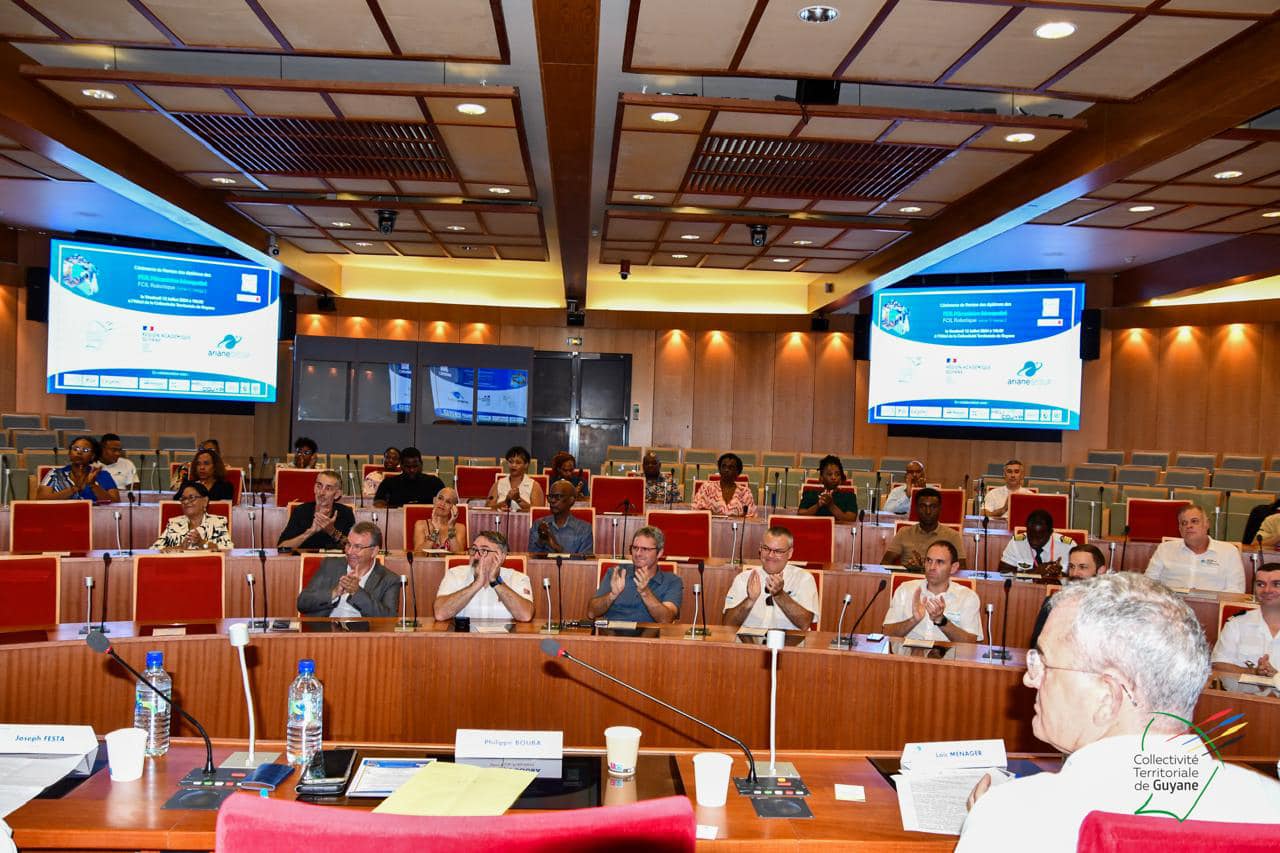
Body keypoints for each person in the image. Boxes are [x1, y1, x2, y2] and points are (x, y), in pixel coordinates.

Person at [958, 573, 1280, 851]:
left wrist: (987, 822)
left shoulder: (1015, 818)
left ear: (1106, 698)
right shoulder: (1269, 803)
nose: (1029, 679)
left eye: (1043, 663)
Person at [882, 541, 982, 642]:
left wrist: (941, 621)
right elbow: (887, 632)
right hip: (908, 651)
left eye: (940, 562)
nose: (932, 567)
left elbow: (971, 642)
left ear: (953, 567)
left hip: (947, 651)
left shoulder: (967, 597)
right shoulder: (905, 590)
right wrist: (913, 620)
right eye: (929, 560)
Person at [723, 526, 819, 630]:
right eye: (766, 548)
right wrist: (750, 600)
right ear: (760, 549)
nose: (770, 555)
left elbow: (805, 624)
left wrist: (780, 595)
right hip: (749, 639)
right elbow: (727, 624)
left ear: (790, 553)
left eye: (778, 551)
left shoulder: (804, 579)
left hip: (789, 639)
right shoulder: (743, 579)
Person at [296, 522, 399, 617]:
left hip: (363, 631)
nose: (349, 551)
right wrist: (334, 593)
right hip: (326, 629)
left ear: (374, 551)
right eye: (348, 544)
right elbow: (302, 603)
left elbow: (389, 618)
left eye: (357, 547)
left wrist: (357, 592)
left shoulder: (389, 579)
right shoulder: (330, 565)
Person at [1211, 561, 1280, 696]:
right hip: (1243, 703)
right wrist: (1254, 673)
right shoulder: (1236, 624)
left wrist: (1276, 678)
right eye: (1260, 584)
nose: (1267, 590)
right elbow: (1219, 666)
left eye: (1276, 584)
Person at [588, 526, 683, 623]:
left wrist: (645, 592)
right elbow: (591, 613)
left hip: (650, 632)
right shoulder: (616, 573)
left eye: (645, 549)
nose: (638, 554)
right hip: (613, 631)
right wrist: (611, 595)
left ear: (659, 553)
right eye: (635, 548)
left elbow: (666, 619)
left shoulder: (672, 581)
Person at [433, 531, 534, 622]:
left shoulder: (517, 578)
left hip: (503, 636)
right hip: (464, 636)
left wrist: (496, 582)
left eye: (484, 550)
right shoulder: (455, 574)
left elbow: (525, 615)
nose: (476, 556)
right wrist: (476, 585)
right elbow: (440, 614)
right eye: (474, 549)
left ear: (501, 557)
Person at [1145, 504, 1245, 592]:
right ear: (1180, 529)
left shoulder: (1229, 552)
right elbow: (1147, 584)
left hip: (1212, 606)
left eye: (1194, 521)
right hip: (1170, 605)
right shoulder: (1165, 549)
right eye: (1184, 523)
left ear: (1207, 524)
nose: (1189, 526)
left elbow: (1236, 591)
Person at [1028, 543, 1107, 650]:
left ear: (1100, 571)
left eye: (1082, 567)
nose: (1074, 573)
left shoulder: (1110, 607)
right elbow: (1036, 643)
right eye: (1072, 567)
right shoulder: (1054, 602)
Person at [882, 487, 967, 570]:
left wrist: (924, 569)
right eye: (923, 506)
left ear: (939, 509)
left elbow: (962, 569)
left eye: (933, 507)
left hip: (939, 579)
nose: (928, 511)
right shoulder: (904, 532)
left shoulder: (953, 536)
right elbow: (884, 563)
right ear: (916, 508)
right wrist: (907, 568)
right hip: (909, 578)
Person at [276, 469, 354, 551]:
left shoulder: (345, 513)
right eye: (319, 486)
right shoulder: (301, 511)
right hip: (302, 558)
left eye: (328, 488)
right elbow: (281, 548)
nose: (321, 493)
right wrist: (310, 532)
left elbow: (353, 548)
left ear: (337, 494)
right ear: (314, 488)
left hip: (333, 559)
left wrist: (332, 531)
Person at [151, 481, 233, 550]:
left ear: (205, 501)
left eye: (192, 497)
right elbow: (154, 550)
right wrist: (179, 548)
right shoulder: (174, 524)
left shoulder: (217, 523)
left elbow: (228, 549)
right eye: (183, 499)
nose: (186, 502)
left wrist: (202, 543)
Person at [37, 436, 119, 502]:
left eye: (85, 450)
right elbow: (41, 500)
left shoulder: (102, 475)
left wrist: (93, 485)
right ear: (70, 453)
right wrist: (75, 488)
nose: (79, 452)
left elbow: (115, 502)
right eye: (75, 449)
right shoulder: (54, 474)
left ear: (93, 456)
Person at [999, 509, 1077, 577]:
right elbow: (1002, 573)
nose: (1034, 541)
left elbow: (1077, 579)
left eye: (1039, 538)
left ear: (1050, 532)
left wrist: (1059, 574)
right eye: (1031, 536)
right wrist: (1035, 571)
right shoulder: (1016, 543)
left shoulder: (1068, 546)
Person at [528, 480, 593, 554]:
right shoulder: (538, 524)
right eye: (550, 497)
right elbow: (531, 557)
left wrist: (556, 546)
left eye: (558, 497)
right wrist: (540, 542)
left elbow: (584, 560)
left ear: (571, 500)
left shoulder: (584, 529)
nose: (552, 501)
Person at [373, 446, 445, 508]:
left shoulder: (434, 482)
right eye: (408, 466)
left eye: (415, 466)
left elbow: (447, 500)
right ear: (401, 465)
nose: (412, 470)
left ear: (421, 464)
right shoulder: (388, 483)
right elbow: (378, 503)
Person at [692, 452, 757, 517]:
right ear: (719, 470)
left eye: (731, 467)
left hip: (737, 524)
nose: (726, 470)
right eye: (724, 466)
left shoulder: (745, 492)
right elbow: (696, 510)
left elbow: (751, 516)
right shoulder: (707, 487)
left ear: (737, 472)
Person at [797, 454, 858, 522]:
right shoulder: (810, 494)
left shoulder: (849, 496)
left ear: (841, 478)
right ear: (821, 478)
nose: (833, 477)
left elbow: (851, 519)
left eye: (837, 474)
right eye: (829, 474)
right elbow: (800, 514)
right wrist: (818, 505)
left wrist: (831, 506)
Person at [486, 445, 546, 510]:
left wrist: (518, 500)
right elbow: (488, 508)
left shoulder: (534, 485)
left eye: (518, 462)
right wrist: (505, 501)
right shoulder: (499, 483)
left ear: (526, 465)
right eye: (510, 462)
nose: (513, 465)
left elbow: (537, 511)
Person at [413, 487, 467, 553]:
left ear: (453, 508)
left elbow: (459, 555)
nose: (442, 504)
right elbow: (418, 554)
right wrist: (435, 531)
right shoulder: (421, 525)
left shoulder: (460, 528)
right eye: (440, 498)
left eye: (448, 502)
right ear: (434, 500)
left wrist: (451, 527)